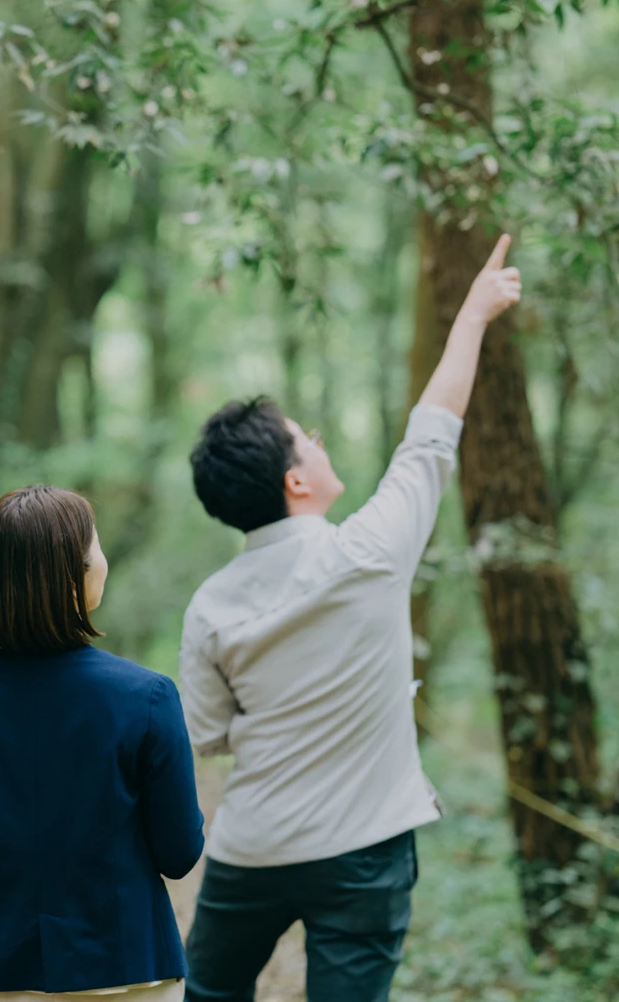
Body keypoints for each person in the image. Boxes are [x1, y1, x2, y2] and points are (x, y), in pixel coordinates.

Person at [176, 236, 521, 1001]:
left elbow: (207, 735)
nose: (319, 439)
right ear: (296, 481)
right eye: (306, 438)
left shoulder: (210, 606)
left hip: (251, 847)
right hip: (364, 850)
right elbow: (432, 433)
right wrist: (471, 316)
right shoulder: (369, 553)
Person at [0, 485, 205, 1001]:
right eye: (96, 545)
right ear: (74, 574)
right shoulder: (147, 697)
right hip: (128, 968)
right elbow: (179, 852)